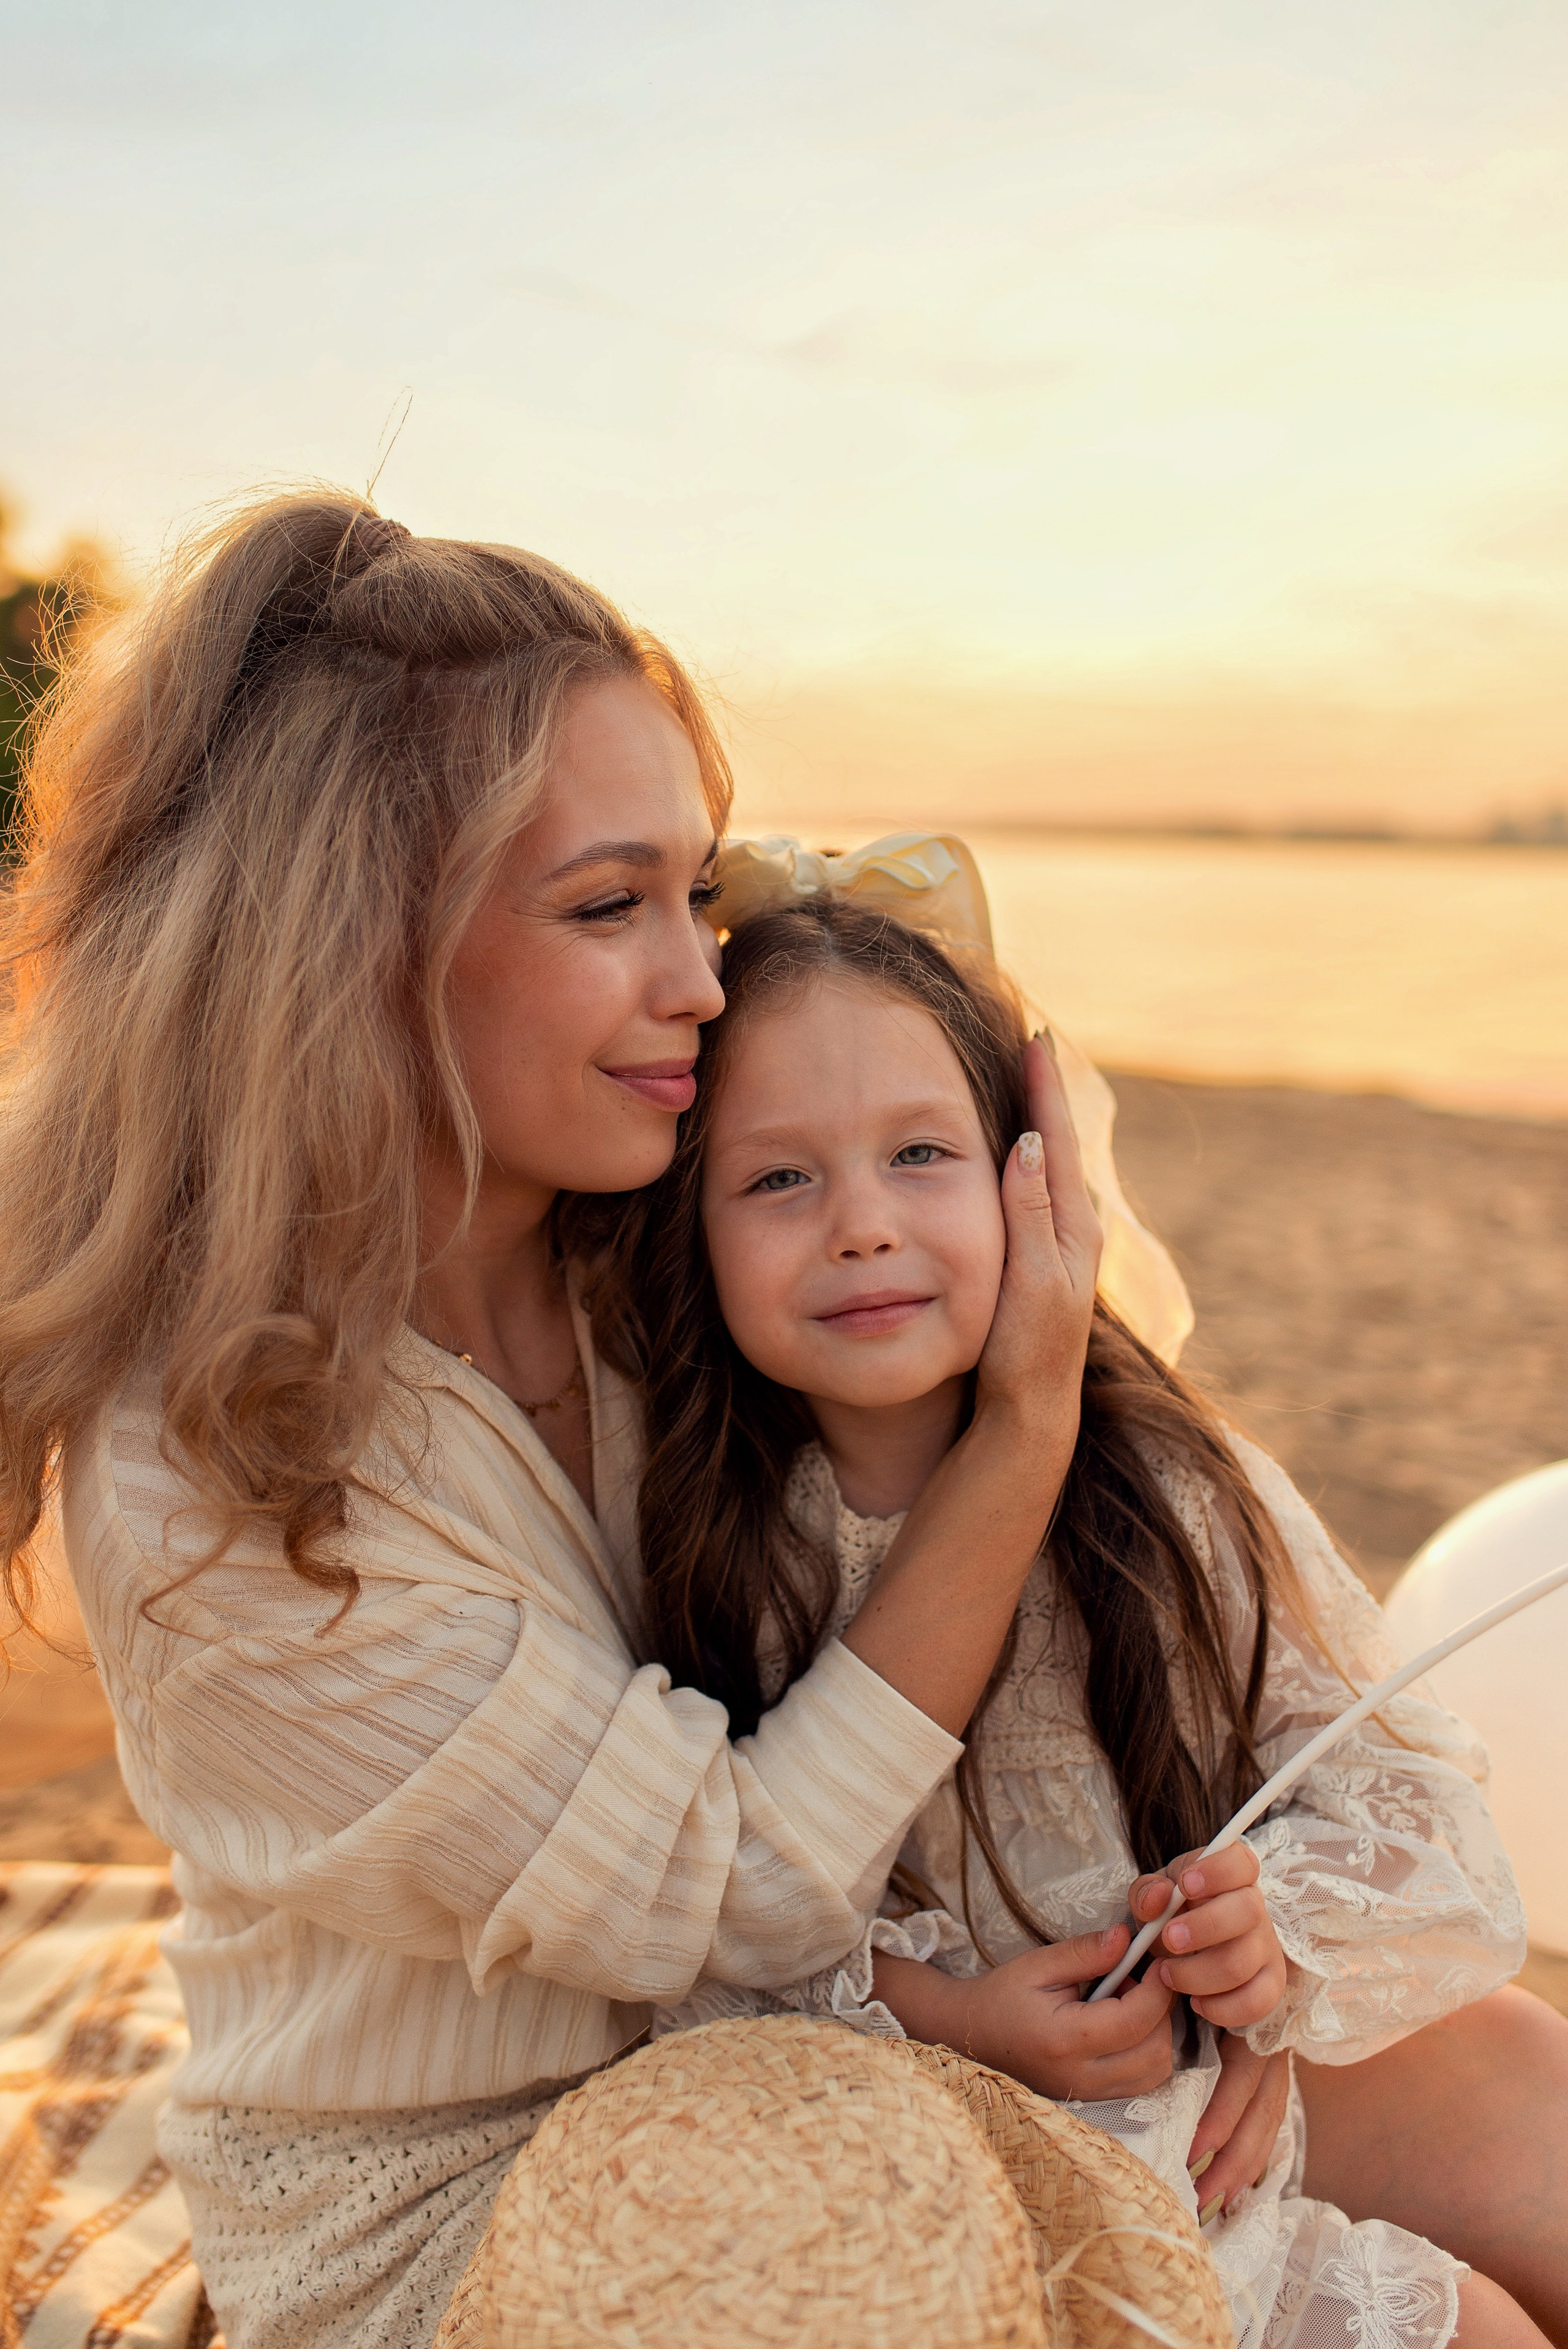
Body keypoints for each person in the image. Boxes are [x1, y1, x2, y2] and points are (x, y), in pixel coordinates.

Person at [0, 490, 1561, 2347]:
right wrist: (1022, 1437)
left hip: (846, 2022)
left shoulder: (653, 1235)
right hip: (472, 2205)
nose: (701, 979)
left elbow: (919, 1204)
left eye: (702, 889)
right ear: (350, 950)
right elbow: (731, 1886)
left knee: (1496, 2066)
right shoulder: (206, 1461)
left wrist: (1252, 1990)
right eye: (610, 907)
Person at [575, 880, 1568, 2349]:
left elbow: (1408, 1789)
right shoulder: (710, 1532)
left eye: (920, 1154)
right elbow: (706, 1937)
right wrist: (953, 2019)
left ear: (1025, 1183)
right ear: (692, 1228)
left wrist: (1271, 1946)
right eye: (777, 1179)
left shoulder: (1153, 1478)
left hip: (1204, 2118)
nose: (859, 1226)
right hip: (922, 2165)